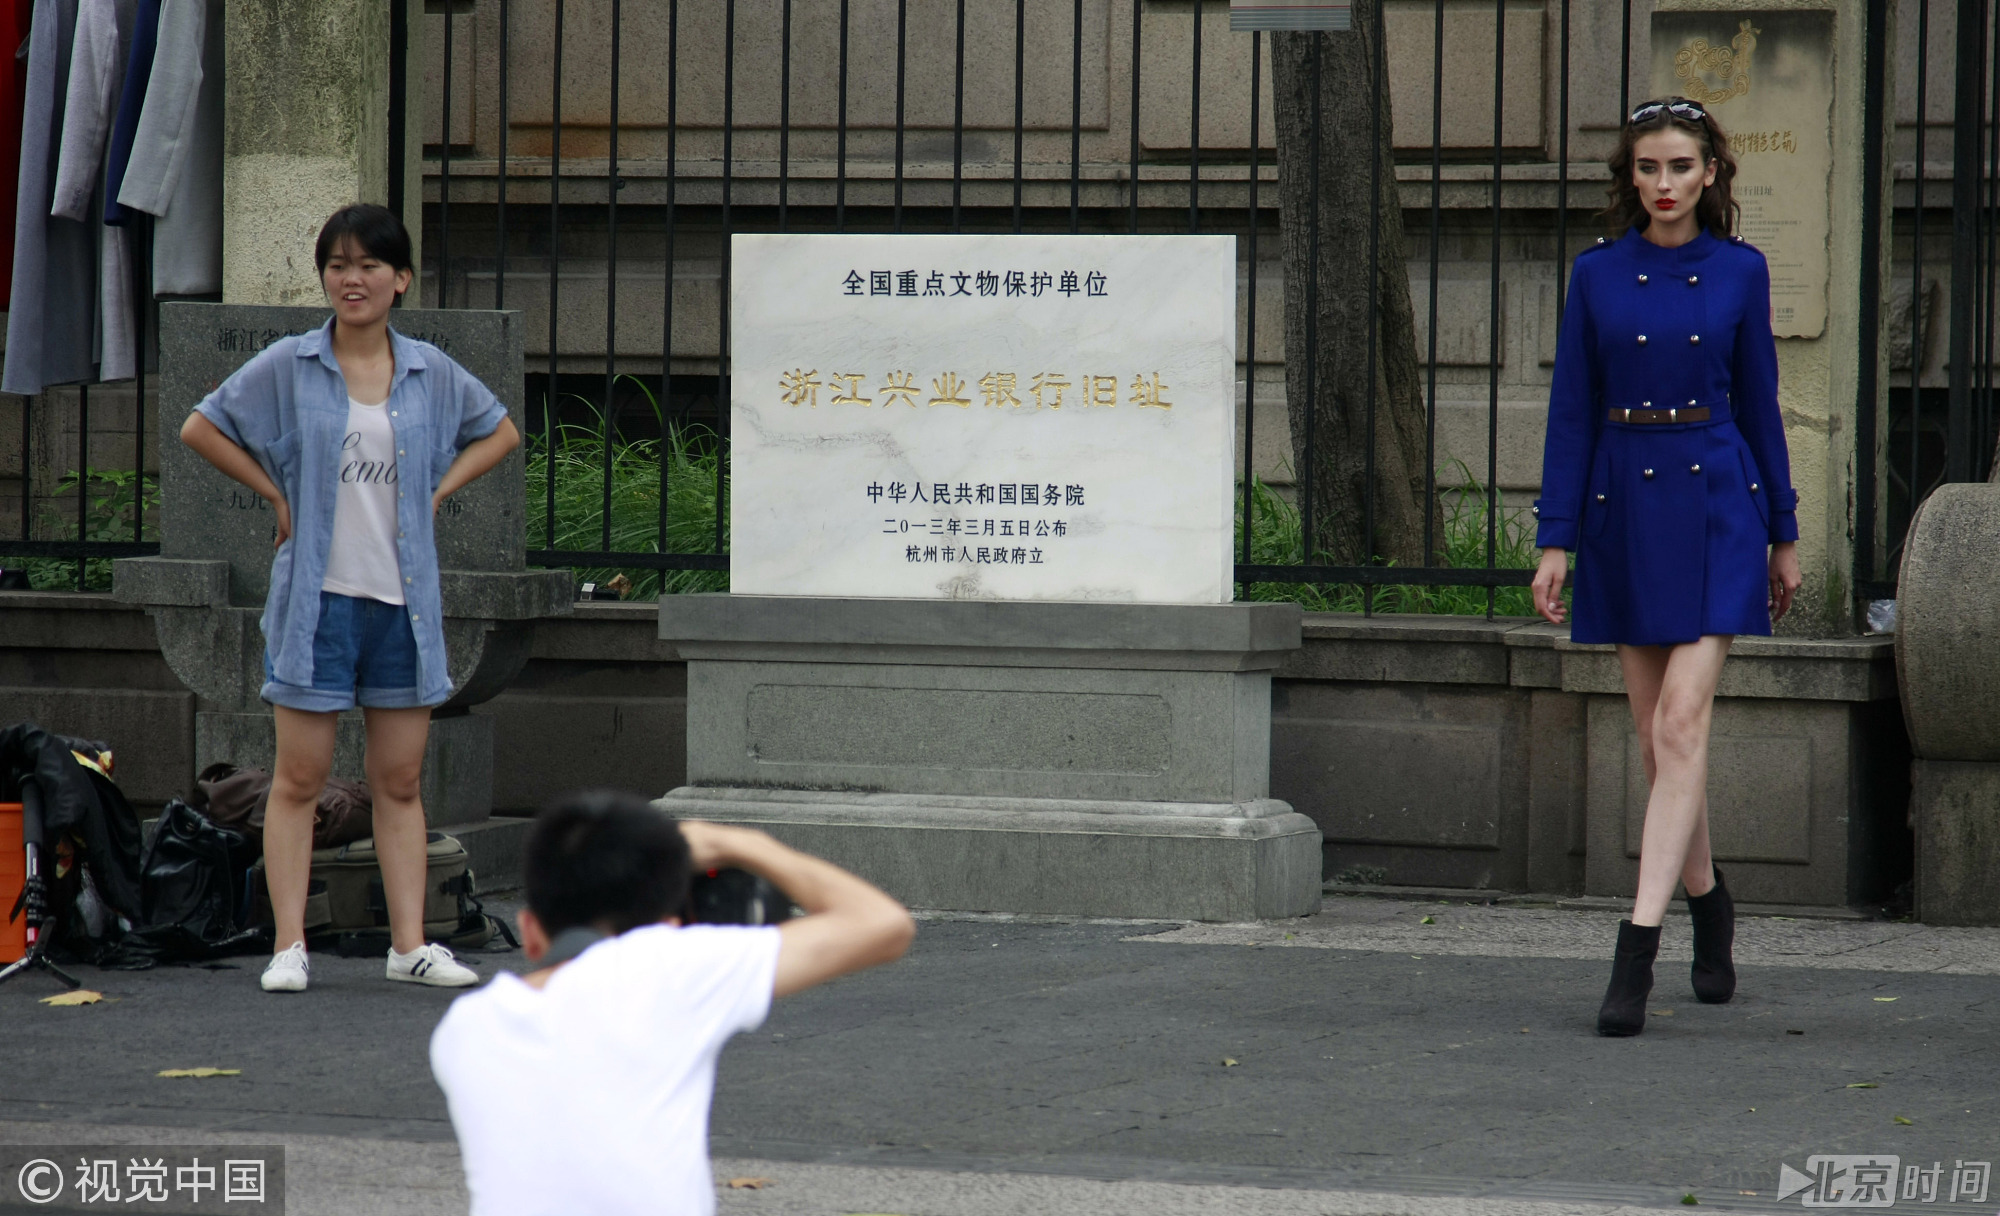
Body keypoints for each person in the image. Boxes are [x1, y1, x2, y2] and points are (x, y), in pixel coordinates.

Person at [179, 203, 522, 993]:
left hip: (401, 606)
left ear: (401, 279)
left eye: (369, 265)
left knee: (400, 782)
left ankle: (410, 946)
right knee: (298, 779)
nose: (351, 278)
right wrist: (276, 494)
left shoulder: (432, 372)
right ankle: (290, 945)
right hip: (317, 603)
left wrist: (438, 490)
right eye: (337, 265)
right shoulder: (293, 364)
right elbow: (203, 427)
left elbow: (500, 431)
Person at [1529, 98, 1803, 1038]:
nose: (1665, 184)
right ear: (1632, 177)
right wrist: (1554, 537)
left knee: (1683, 722)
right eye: (1648, 168)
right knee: (1659, 744)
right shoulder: (1598, 275)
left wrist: (1785, 529)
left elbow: (1763, 407)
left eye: (1681, 166)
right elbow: (1572, 411)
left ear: (1711, 173)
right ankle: (1711, 902)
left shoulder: (1741, 271)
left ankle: (1635, 951)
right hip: (1623, 505)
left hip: (1719, 502)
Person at [428, 792, 915, 1216]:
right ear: (670, 924)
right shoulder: (671, 972)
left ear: (531, 933)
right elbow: (884, 924)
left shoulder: (465, 1030)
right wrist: (742, 843)